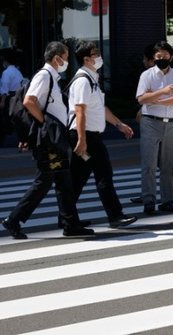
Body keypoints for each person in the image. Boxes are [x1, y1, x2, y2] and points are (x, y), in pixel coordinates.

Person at [1, 41, 94, 239]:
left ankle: (70, 224)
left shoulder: (52, 76)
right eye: (66, 58)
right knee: (45, 181)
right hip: (49, 140)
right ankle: (13, 219)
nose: (67, 62)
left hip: (54, 138)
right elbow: (29, 101)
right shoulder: (44, 75)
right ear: (56, 58)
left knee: (63, 180)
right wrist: (44, 123)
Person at [65, 40, 137, 228]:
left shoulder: (92, 79)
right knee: (104, 174)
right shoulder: (82, 81)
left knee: (78, 178)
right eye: (96, 54)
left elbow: (100, 108)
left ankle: (66, 217)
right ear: (86, 59)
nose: (99, 56)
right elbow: (79, 111)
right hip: (86, 137)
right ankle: (115, 216)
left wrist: (119, 124)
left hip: (88, 137)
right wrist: (82, 140)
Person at [136, 41, 173, 214]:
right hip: (150, 122)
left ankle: (167, 201)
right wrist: (163, 92)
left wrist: (156, 100)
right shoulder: (147, 75)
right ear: (153, 57)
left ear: (171, 57)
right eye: (159, 56)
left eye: (165, 56)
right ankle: (149, 200)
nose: (162, 59)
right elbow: (142, 99)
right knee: (149, 164)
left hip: (171, 123)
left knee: (168, 164)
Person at [0, 50, 23, 146]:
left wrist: (2, 101)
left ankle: (7, 141)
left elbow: (5, 88)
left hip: (10, 98)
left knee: (7, 119)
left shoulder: (6, 72)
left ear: (5, 62)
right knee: (15, 119)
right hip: (18, 97)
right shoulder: (18, 72)